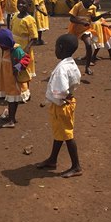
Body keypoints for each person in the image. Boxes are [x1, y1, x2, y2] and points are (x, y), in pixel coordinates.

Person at [36, 34, 83, 178]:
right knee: (59, 132)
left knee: (67, 135)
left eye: (56, 47)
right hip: (65, 103)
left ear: (61, 48)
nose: (54, 49)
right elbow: (77, 79)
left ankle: (76, 166)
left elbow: (60, 90)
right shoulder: (71, 64)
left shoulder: (62, 69)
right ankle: (52, 159)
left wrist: (59, 96)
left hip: (61, 105)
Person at [0, 29, 31, 128]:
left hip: (13, 80)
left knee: (12, 99)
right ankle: (11, 117)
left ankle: (11, 120)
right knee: (12, 99)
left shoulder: (16, 50)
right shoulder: (6, 49)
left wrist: (17, 68)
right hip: (8, 78)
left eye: (2, 45)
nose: (1, 47)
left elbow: (26, 60)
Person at [68, 0, 99, 75]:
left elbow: (93, 19)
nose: (92, 1)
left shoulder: (93, 8)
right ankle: (66, 65)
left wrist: (103, 15)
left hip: (85, 30)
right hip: (74, 29)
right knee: (70, 48)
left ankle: (87, 67)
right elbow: (71, 18)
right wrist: (82, 22)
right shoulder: (78, 6)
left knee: (89, 45)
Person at [11, 0, 38, 79]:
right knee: (13, 66)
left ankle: (24, 89)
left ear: (29, 5)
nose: (20, 5)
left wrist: (27, 48)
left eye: (23, 3)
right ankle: (15, 88)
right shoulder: (15, 16)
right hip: (14, 46)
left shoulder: (30, 20)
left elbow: (34, 37)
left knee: (22, 67)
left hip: (23, 48)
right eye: (19, 3)